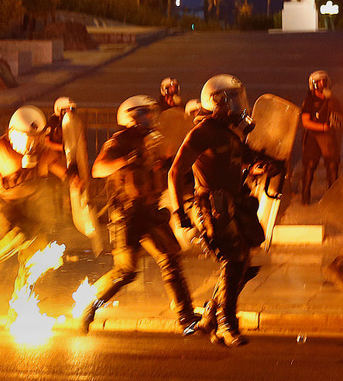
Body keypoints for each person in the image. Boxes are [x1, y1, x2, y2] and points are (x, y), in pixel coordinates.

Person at [79, 95, 198, 335]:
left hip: (151, 210)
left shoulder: (153, 140)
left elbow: (162, 169)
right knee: (126, 272)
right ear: (130, 117)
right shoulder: (119, 141)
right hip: (128, 214)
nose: (150, 117)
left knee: (171, 260)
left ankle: (186, 317)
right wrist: (126, 160)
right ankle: (90, 306)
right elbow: (98, 168)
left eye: (150, 113)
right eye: (144, 113)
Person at [169, 74, 266, 347]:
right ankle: (226, 325)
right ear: (216, 103)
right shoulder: (203, 131)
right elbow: (175, 172)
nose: (236, 105)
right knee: (233, 260)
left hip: (235, 202)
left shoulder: (231, 131)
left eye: (237, 99)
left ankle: (211, 314)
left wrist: (260, 166)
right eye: (230, 100)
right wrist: (179, 212)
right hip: (211, 206)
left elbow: (240, 162)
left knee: (244, 263)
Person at [0, 105, 75, 298]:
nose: (31, 144)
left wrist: (76, 180)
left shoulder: (44, 153)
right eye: (27, 138)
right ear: (14, 134)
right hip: (5, 208)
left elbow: (64, 173)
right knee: (17, 235)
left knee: (35, 256)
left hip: (33, 210)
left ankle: (20, 303)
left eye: (35, 138)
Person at [299, 70, 342, 205]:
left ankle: (332, 200)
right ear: (313, 85)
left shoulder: (332, 100)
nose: (322, 84)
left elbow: (339, 117)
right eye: (319, 82)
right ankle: (305, 198)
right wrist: (322, 127)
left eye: (324, 81)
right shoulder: (309, 101)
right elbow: (305, 122)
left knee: (332, 166)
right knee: (309, 167)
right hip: (313, 137)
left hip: (328, 137)